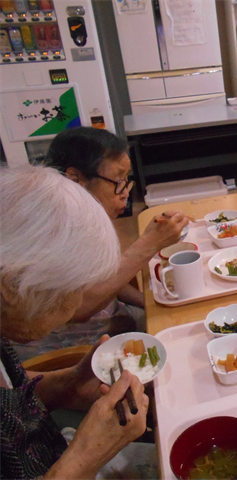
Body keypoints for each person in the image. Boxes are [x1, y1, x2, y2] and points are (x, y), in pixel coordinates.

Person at [0, 165, 149, 479]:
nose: (76, 306)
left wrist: (70, 382)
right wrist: (86, 457)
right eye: (73, 289)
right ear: (10, 287)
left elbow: (10, 400)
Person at [11, 127, 190, 361]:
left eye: (127, 181)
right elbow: (80, 308)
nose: (125, 194)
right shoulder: (48, 230)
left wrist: (152, 302)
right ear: (76, 179)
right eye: (117, 181)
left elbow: (104, 278)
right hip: (79, 352)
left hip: (119, 321)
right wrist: (149, 243)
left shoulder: (85, 216)